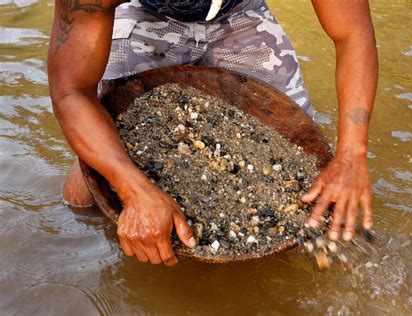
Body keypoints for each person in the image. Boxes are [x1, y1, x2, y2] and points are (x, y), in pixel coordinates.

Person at [48, 0, 378, 266]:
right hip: (147, 12)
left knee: (306, 182)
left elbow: (353, 34)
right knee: (99, 168)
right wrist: (132, 188)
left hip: (238, 11)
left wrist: (352, 154)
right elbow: (72, 91)